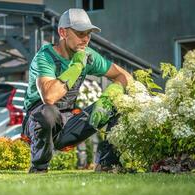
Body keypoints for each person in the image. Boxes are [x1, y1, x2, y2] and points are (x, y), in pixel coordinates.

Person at [22, 8, 132, 173]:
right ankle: (39, 167)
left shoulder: (88, 55)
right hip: (39, 122)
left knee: (118, 104)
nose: (86, 39)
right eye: (81, 33)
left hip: (68, 121)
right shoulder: (44, 57)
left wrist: (110, 95)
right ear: (62, 32)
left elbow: (124, 75)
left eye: (89, 34)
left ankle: (107, 164)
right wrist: (77, 66)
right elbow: (49, 98)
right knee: (48, 113)